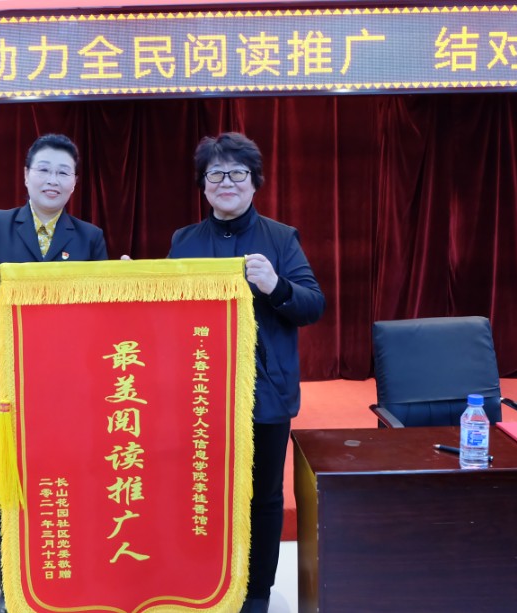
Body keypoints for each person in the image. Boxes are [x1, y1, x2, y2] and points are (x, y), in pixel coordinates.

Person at [0, 134, 107, 613]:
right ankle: (13, 585)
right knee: (8, 481)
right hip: (3, 383)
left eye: (63, 172)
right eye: (44, 169)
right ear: (26, 175)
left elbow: (102, 312)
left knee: (69, 478)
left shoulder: (89, 237)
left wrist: (117, 284)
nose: (52, 179)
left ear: (74, 182)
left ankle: (69, 575)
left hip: (68, 387)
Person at [168, 132, 325, 613]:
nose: (226, 182)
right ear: (203, 185)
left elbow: (312, 305)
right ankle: (204, 581)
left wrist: (276, 285)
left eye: (237, 173)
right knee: (202, 490)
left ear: (255, 182)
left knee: (263, 497)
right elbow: (166, 315)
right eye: (215, 174)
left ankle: (256, 591)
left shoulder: (281, 238)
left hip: (265, 392)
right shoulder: (184, 241)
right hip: (199, 392)